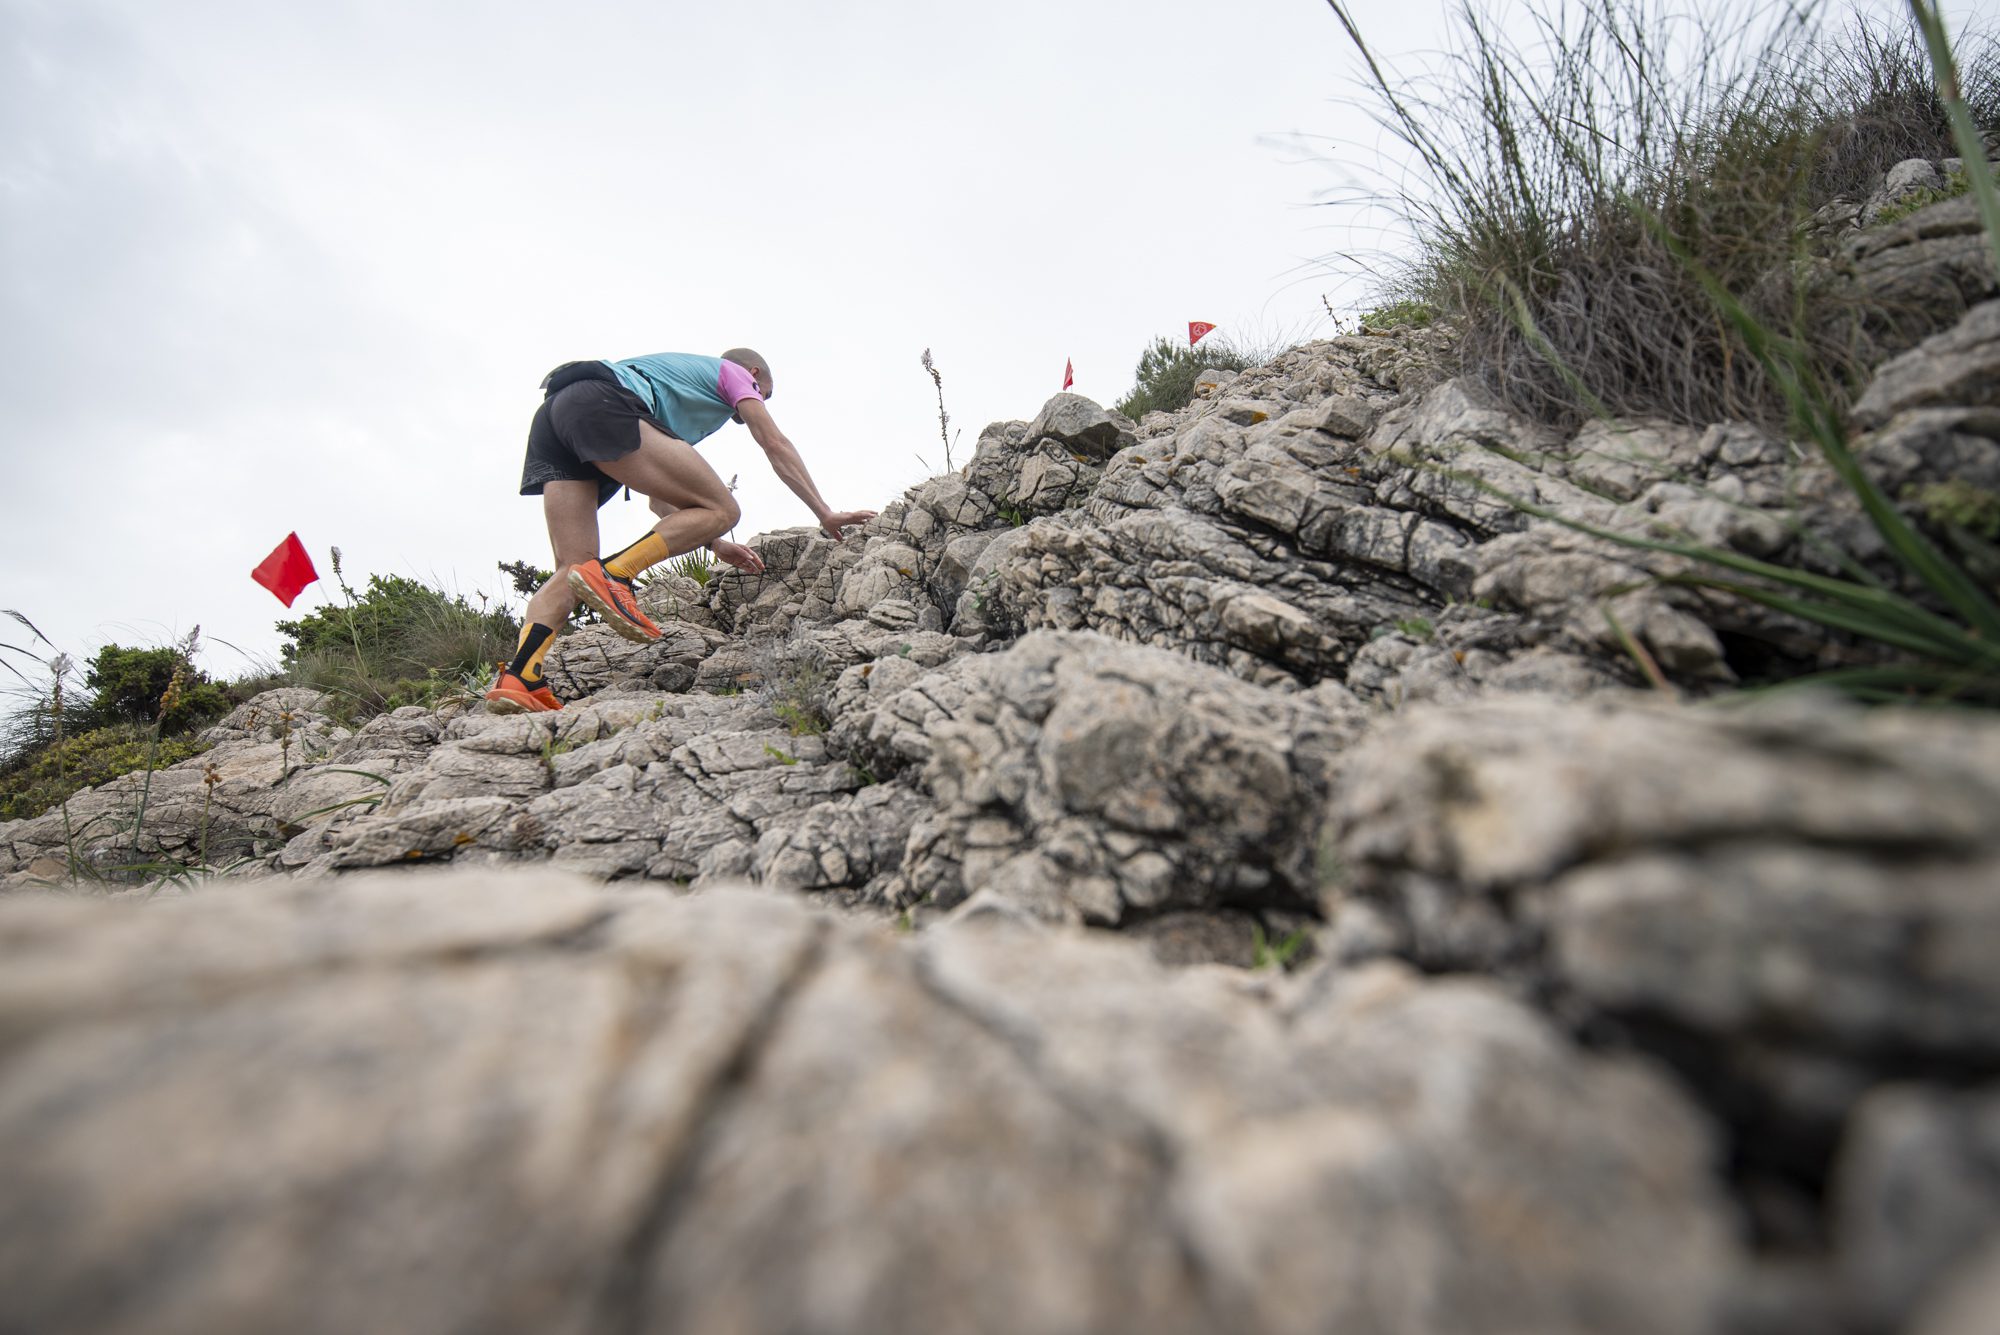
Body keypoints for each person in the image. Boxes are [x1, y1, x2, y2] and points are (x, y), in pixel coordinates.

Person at [485, 347, 876, 713]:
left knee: (571, 568)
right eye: (764, 394)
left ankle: (521, 676)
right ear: (755, 374)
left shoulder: (676, 396)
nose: (760, 402)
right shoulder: (733, 373)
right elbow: (773, 442)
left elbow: (659, 503)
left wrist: (714, 542)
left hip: (555, 416)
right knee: (725, 508)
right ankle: (613, 575)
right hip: (599, 402)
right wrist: (824, 512)